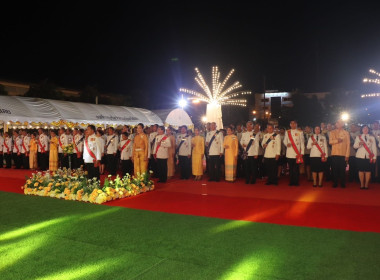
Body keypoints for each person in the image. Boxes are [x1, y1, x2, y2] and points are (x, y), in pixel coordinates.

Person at [353, 125, 377, 190]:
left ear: (368, 130)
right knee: (361, 170)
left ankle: (366, 184)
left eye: (366, 128)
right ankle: (362, 184)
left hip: (369, 157)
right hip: (360, 156)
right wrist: (359, 144)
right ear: (362, 130)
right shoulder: (358, 137)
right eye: (364, 128)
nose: (365, 129)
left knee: (368, 171)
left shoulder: (372, 137)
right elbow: (354, 146)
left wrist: (374, 157)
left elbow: (374, 148)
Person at [329, 119, 350, 188]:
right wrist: (337, 140)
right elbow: (330, 142)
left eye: (340, 123)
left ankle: (342, 183)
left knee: (342, 169)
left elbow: (348, 144)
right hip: (334, 153)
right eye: (337, 123)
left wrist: (347, 155)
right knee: (334, 169)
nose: (338, 124)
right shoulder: (332, 132)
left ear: (343, 124)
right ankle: (335, 182)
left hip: (343, 154)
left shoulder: (346, 133)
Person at [283, 120, 305, 186]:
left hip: (297, 153)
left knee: (296, 169)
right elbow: (284, 140)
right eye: (291, 124)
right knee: (290, 169)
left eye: (294, 123)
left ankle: (296, 181)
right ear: (290, 125)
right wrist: (287, 144)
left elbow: (302, 143)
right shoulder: (287, 132)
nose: (293, 125)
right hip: (289, 153)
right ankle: (291, 181)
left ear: (296, 124)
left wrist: (302, 153)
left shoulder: (300, 132)